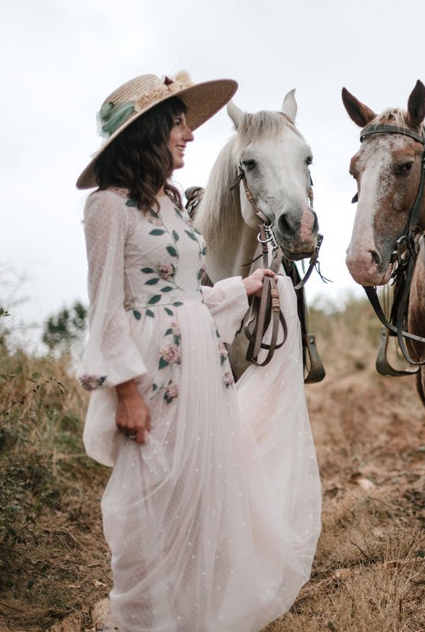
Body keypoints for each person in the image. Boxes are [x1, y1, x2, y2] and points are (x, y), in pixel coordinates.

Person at [75, 71, 320, 631]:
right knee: (148, 500)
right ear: (150, 131)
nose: (189, 134)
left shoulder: (170, 205)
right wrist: (127, 392)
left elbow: (189, 294)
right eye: (179, 123)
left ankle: (195, 614)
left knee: (199, 491)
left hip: (204, 364)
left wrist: (246, 288)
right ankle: (142, 616)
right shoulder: (108, 209)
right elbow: (105, 308)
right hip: (150, 372)